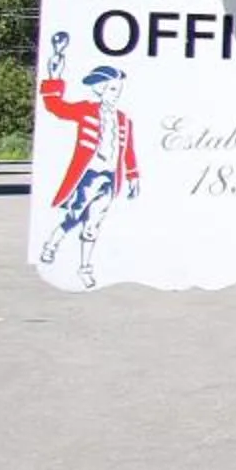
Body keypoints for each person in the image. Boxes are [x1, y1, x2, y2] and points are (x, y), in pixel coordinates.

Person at [38, 31, 138, 287]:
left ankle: (85, 267)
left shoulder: (124, 119)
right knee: (74, 215)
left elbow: (127, 150)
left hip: (110, 178)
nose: (116, 94)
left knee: (94, 223)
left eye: (119, 89)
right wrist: (55, 71)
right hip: (90, 174)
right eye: (112, 89)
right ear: (101, 88)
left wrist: (132, 176)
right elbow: (56, 107)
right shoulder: (86, 110)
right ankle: (52, 244)